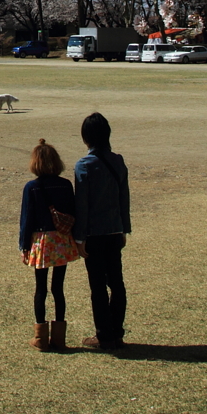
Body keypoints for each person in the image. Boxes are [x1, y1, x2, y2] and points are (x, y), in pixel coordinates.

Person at [74, 112, 131, 350]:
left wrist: (79, 238)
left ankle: (104, 335)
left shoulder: (84, 166)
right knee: (116, 282)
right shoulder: (117, 161)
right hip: (114, 231)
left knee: (97, 285)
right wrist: (124, 228)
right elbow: (123, 197)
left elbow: (82, 205)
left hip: (94, 235)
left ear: (86, 138)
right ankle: (116, 332)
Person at [19, 138, 79, 350]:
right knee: (58, 288)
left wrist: (23, 246)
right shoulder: (65, 185)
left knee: (40, 289)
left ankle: (40, 337)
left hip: (42, 241)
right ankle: (59, 337)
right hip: (62, 239)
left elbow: (26, 219)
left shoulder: (31, 187)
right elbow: (73, 213)